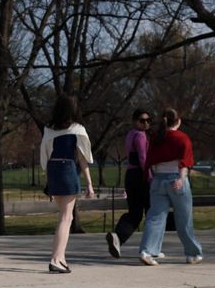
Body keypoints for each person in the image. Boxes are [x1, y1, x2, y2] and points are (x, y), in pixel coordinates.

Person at [138, 108, 203, 265]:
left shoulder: (156, 138)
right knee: (184, 219)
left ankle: (147, 251)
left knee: (155, 218)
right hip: (176, 180)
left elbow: (150, 162)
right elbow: (185, 162)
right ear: (178, 121)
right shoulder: (182, 138)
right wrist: (181, 178)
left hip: (158, 180)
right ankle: (192, 253)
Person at [39, 94, 96, 274]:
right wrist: (89, 183)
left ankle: (60, 257)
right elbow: (83, 158)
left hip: (53, 169)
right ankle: (56, 259)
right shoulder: (77, 129)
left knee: (65, 217)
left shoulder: (49, 129)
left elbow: (45, 154)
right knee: (66, 218)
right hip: (67, 168)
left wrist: (47, 178)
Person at [106, 109, 152, 258]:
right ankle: (151, 247)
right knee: (152, 211)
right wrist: (150, 177)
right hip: (140, 176)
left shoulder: (130, 134)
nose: (145, 123)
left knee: (135, 212)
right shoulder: (140, 136)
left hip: (130, 175)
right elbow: (143, 159)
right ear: (134, 121)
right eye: (142, 120)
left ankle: (118, 237)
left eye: (148, 120)